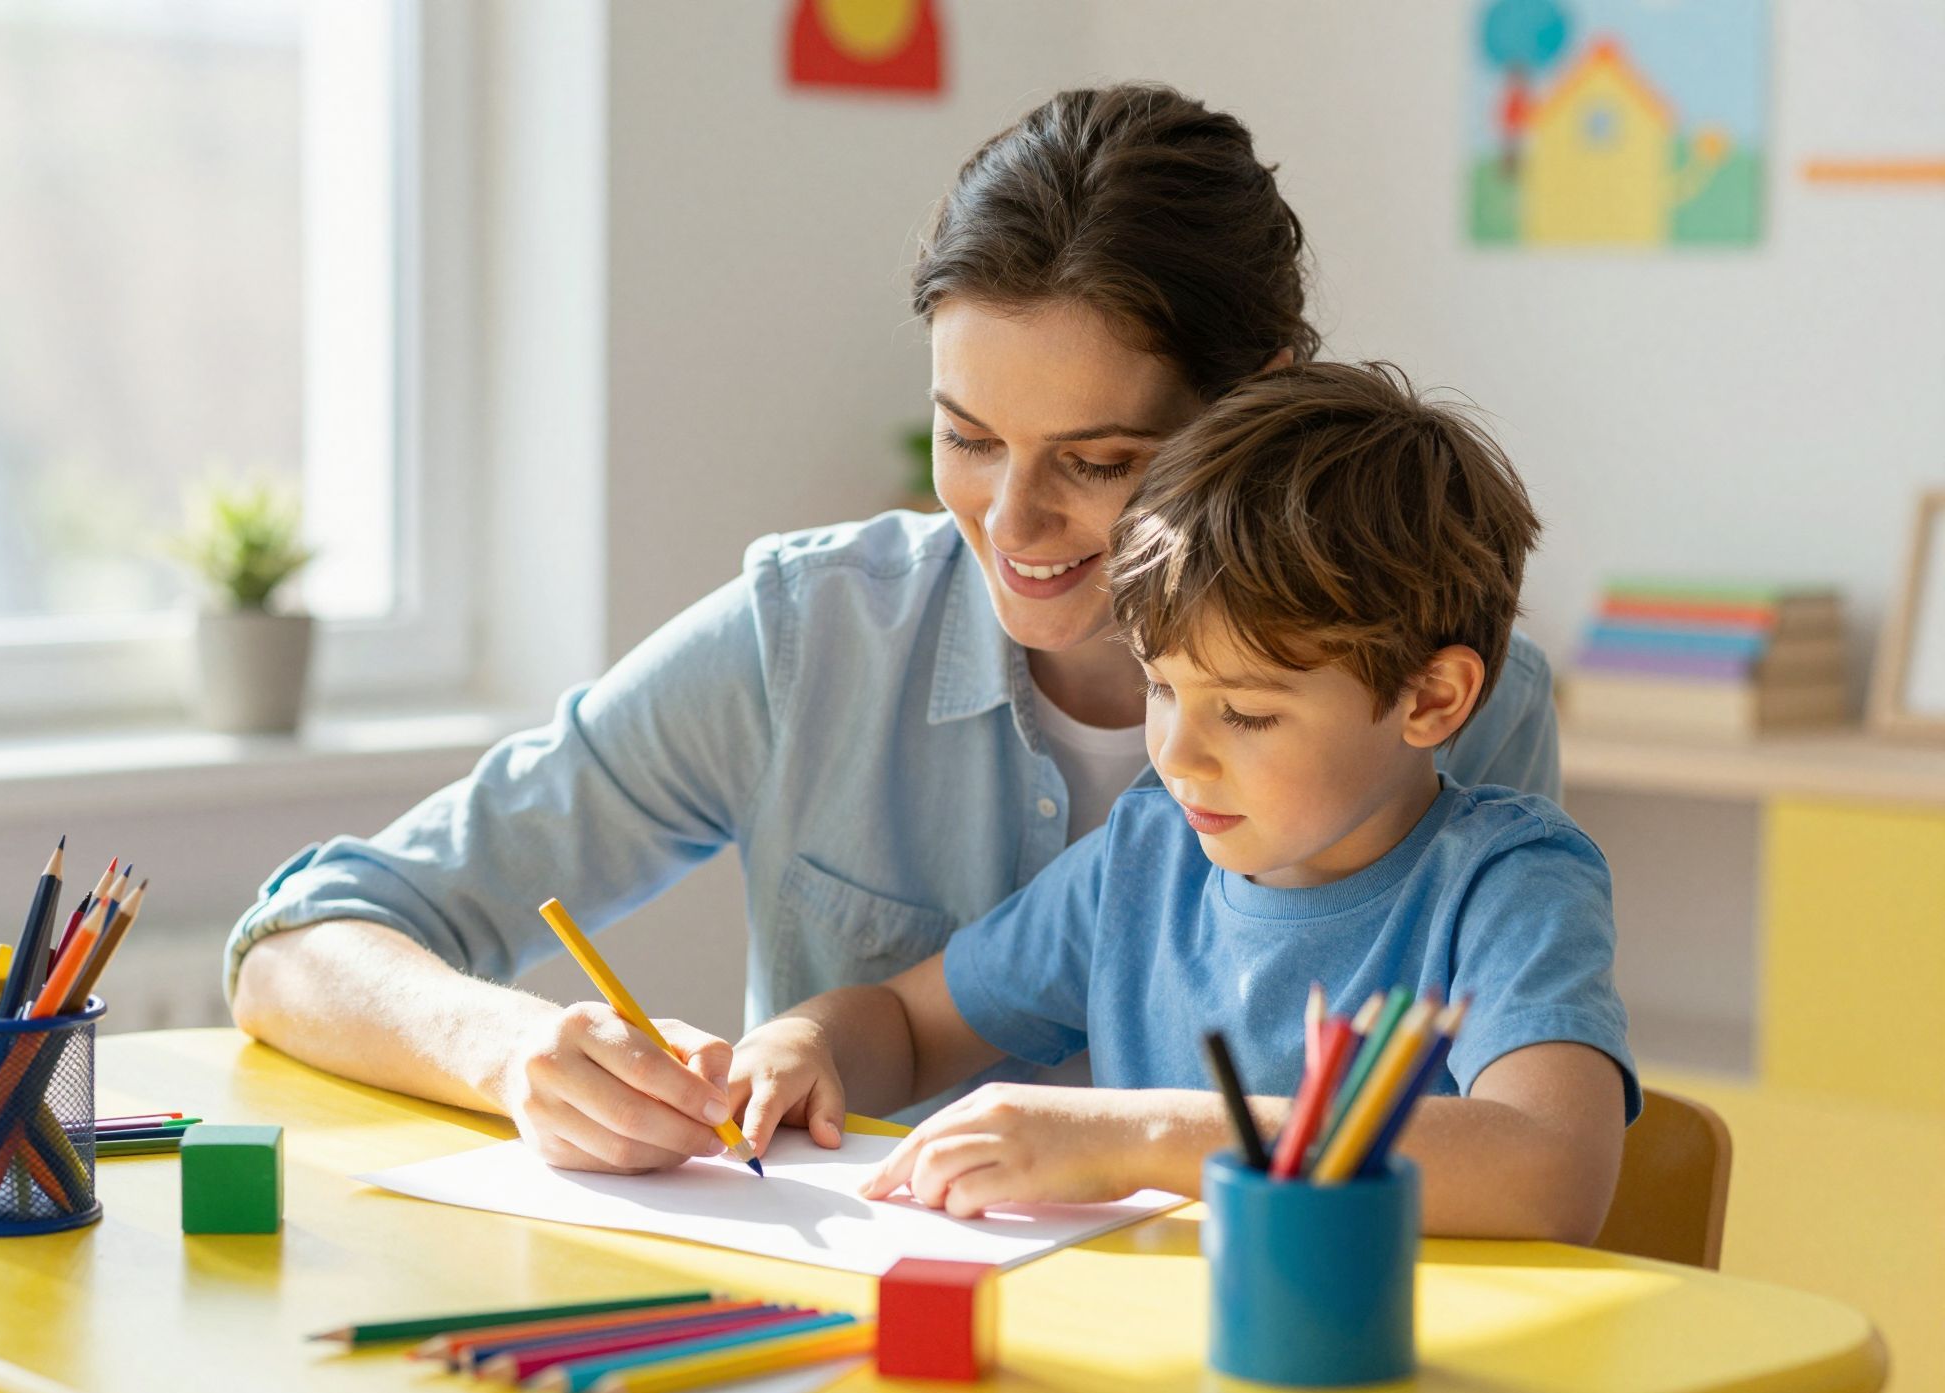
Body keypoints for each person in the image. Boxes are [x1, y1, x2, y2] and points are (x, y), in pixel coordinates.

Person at [227, 84, 1560, 1176]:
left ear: (1258, 404)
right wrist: (512, 1054)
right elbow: (303, 941)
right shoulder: (812, 638)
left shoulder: (1444, 699)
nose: (1015, 521)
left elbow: (1523, 1147)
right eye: (968, 439)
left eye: (1098, 459)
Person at [729, 361, 1637, 1241]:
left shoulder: (1508, 885)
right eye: (1160, 689)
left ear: (1430, 698)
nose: (1176, 756)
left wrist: (1138, 1138)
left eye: (1245, 713)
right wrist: (803, 1047)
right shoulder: (1147, 857)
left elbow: (1551, 1166)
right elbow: (909, 1026)